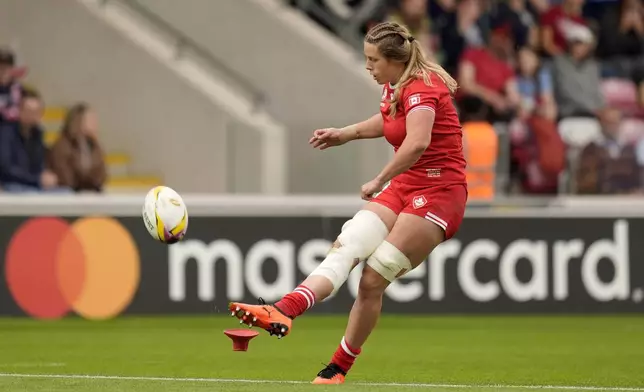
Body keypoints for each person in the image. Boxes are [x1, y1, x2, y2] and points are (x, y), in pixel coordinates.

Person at [229, 21, 468, 385]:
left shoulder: (423, 87)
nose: (368, 67)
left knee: (372, 278)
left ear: (394, 60)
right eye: (366, 59)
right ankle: (283, 310)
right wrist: (346, 133)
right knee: (348, 244)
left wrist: (379, 178)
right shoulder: (395, 85)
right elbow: (389, 122)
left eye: (373, 60)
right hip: (406, 185)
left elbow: (417, 141)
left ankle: (338, 366)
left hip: (439, 193)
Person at [48, 103, 107, 193]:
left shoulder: (94, 145)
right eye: (91, 120)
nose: (95, 123)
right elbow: (66, 178)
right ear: (78, 121)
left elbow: (101, 174)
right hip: (69, 193)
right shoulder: (62, 145)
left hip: (91, 192)